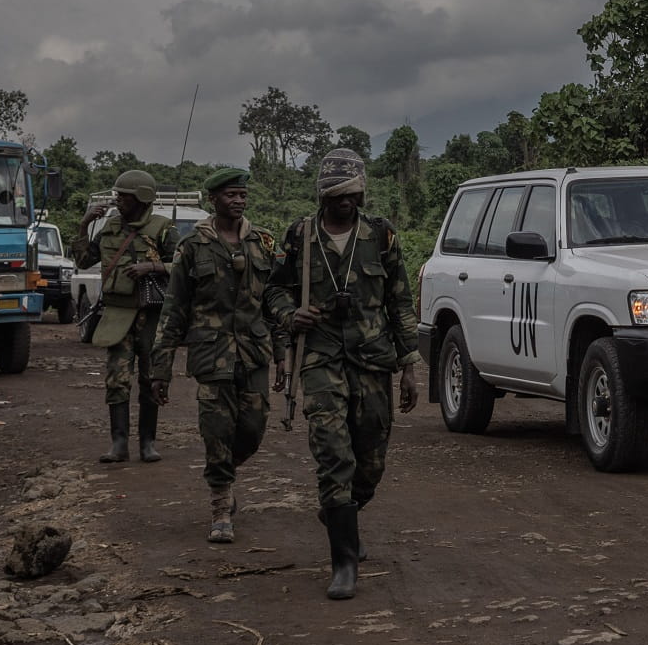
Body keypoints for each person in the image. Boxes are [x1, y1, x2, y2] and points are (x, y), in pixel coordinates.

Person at [265, 148, 420, 600]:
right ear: (323, 196)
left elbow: (400, 302)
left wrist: (410, 366)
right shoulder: (300, 236)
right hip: (321, 358)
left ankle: (341, 512)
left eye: (352, 194)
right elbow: (273, 291)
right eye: (336, 196)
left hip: (373, 358)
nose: (345, 202)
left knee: (370, 459)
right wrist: (290, 314)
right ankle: (344, 563)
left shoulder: (381, 235)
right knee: (334, 455)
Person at [154, 167, 280, 543]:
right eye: (230, 195)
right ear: (214, 199)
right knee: (216, 432)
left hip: (254, 353)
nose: (238, 200)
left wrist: (284, 351)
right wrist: (160, 367)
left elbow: (274, 303)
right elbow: (174, 308)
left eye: (242, 195)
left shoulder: (261, 244)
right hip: (212, 355)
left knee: (253, 429)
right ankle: (221, 506)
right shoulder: (193, 247)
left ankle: (226, 470)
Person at [69, 170, 178, 463]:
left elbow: (183, 265)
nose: (117, 199)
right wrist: (84, 225)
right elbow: (83, 260)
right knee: (117, 380)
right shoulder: (109, 227)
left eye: (123, 195)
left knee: (150, 378)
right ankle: (119, 444)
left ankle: (147, 443)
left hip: (151, 315)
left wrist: (153, 268)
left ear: (141, 197)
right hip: (117, 314)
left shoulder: (163, 228)